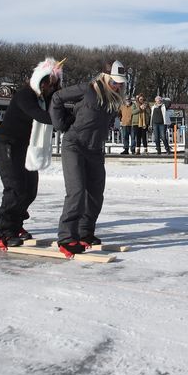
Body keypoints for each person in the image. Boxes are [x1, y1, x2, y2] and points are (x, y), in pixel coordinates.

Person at [50, 61, 127, 257]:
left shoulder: (114, 98)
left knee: (95, 194)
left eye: (120, 83)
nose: (117, 86)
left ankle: (85, 232)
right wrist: (60, 124)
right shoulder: (88, 89)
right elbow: (57, 97)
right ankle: (67, 237)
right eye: (114, 82)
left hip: (95, 150)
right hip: (74, 145)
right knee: (76, 191)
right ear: (105, 77)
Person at [0, 58, 63, 248]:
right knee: (15, 187)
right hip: (5, 143)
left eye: (54, 84)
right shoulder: (25, 95)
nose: (50, 88)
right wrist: (64, 122)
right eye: (49, 83)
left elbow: (57, 108)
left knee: (30, 189)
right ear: (40, 81)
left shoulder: (45, 99)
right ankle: (6, 231)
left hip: (24, 147)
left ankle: (16, 223)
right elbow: (39, 115)